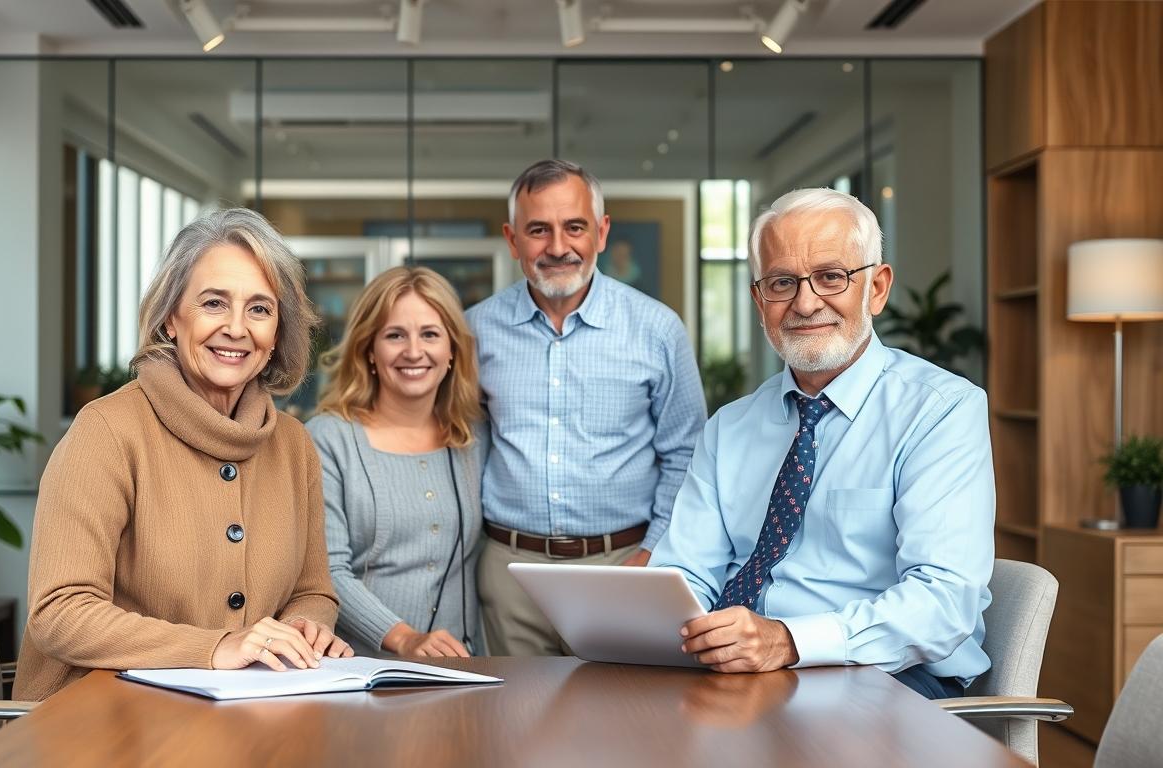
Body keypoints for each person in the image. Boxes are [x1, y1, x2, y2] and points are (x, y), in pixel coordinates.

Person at [649, 188, 994, 699]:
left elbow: (942, 603)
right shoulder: (729, 427)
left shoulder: (940, 410)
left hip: (888, 676)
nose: (805, 303)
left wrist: (789, 641)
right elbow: (685, 573)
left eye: (831, 277)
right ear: (759, 299)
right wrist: (673, 623)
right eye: (782, 283)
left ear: (876, 288)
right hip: (741, 676)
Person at [17, 208, 350, 701]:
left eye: (260, 309)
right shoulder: (105, 431)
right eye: (214, 303)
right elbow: (59, 613)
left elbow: (313, 589)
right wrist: (217, 648)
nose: (237, 328)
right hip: (96, 718)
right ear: (172, 318)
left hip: (238, 716)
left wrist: (306, 627)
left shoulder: (294, 445)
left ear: (277, 332)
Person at [466, 159, 706, 656]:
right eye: (539, 230)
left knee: (618, 720)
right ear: (513, 240)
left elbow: (686, 453)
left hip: (622, 564)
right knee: (515, 722)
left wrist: (652, 552)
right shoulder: (474, 331)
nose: (557, 247)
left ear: (601, 232)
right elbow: (462, 444)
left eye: (574, 227)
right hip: (511, 573)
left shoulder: (658, 330)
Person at [308, 267, 487, 658]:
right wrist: (404, 638)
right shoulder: (329, 439)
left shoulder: (473, 438)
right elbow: (327, 572)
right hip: (361, 670)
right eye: (394, 335)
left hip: (462, 666)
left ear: (452, 349)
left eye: (430, 334)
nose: (413, 351)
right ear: (369, 349)